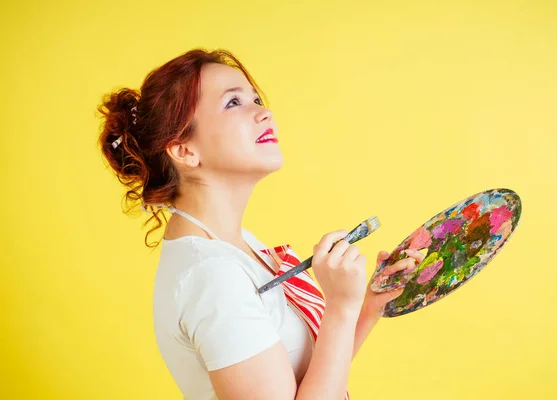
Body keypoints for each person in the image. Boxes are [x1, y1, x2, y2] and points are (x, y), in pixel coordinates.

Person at [97, 48, 424, 400]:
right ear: (184, 150)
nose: (264, 112)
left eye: (255, 98)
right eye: (234, 103)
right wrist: (341, 308)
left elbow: (307, 379)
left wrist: (367, 306)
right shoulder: (212, 276)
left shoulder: (233, 245)